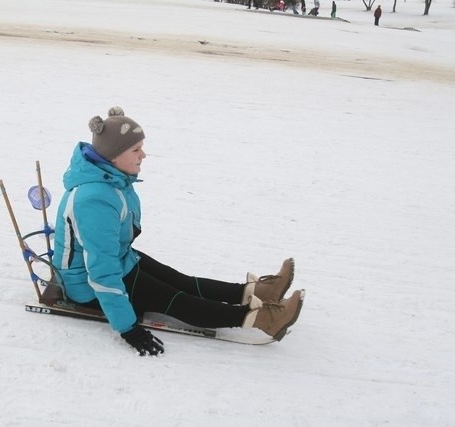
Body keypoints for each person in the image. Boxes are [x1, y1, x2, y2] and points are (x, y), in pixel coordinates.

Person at [52, 107, 305, 356]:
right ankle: (263, 319)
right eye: (136, 149)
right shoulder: (93, 199)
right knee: (172, 298)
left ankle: (258, 292)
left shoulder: (111, 178)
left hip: (118, 257)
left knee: (179, 280)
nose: (144, 155)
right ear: (113, 156)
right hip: (86, 284)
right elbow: (101, 272)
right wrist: (127, 328)